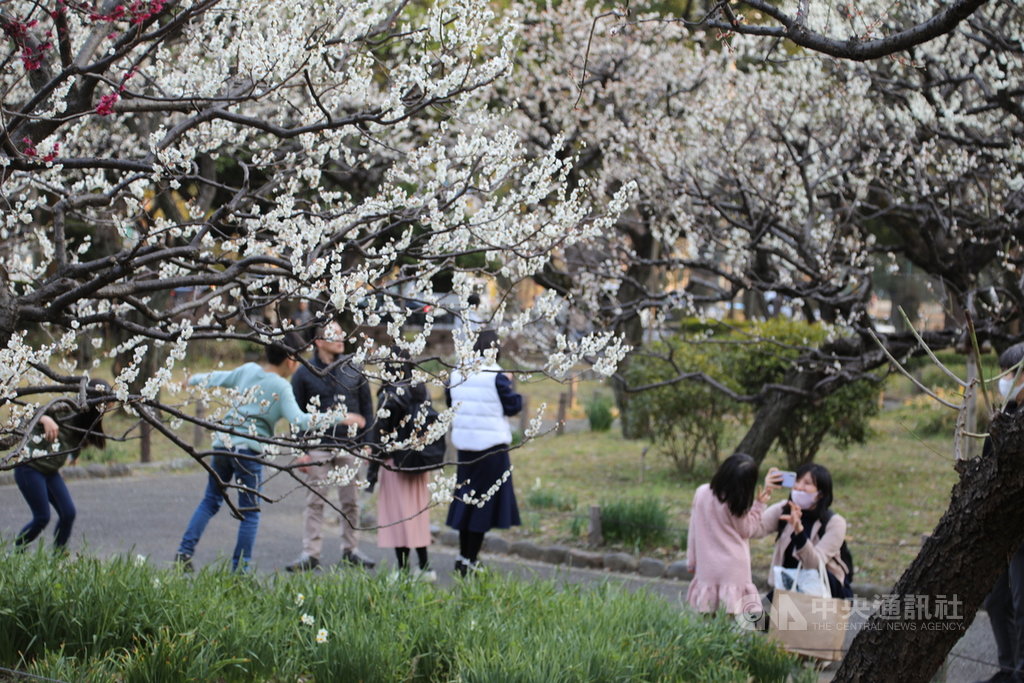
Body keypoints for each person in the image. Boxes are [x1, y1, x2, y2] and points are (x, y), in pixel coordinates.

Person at [175, 333, 365, 572]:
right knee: (250, 512)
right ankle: (240, 571)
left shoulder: (248, 370)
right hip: (248, 452)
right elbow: (302, 421)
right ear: (290, 360)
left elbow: (217, 378)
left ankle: (184, 552)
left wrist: (191, 380)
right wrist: (342, 417)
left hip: (222, 444)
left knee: (210, 500)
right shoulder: (281, 386)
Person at [285, 321, 376, 572]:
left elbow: (367, 408)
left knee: (351, 502)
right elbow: (295, 414)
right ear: (318, 342)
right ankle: (310, 553)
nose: (340, 339)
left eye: (341, 334)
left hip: (349, 445)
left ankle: (351, 549)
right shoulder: (304, 373)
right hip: (317, 445)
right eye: (333, 335)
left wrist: (367, 444)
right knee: (315, 501)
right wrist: (300, 451)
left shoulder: (353, 368)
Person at [445, 329, 523, 576]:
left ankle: (462, 556)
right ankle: (470, 560)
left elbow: (450, 404)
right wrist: (510, 383)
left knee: (465, 500)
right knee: (482, 505)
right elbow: (512, 406)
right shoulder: (496, 375)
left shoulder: (457, 372)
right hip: (491, 449)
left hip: (465, 448)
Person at [11, 379, 112, 552]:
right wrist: (44, 418)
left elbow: (75, 437)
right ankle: (16, 551)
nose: (107, 409)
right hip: (29, 468)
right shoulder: (66, 408)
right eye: (106, 405)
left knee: (68, 513)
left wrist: (73, 456)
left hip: (50, 471)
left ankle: (57, 558)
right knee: (42, 517)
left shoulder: (86, 417)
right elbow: (25, 415)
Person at [366, 352, 436, 581]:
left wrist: (372, 472)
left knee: (399, 516)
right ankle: (425, 567)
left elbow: (380, 433)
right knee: (418, 516)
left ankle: (404, 569)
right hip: (418, 463)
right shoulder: (420, 389)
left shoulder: (389, 394)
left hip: (395, 463)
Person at [979, 343, 1024, 683]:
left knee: (1022, 604)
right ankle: (1008, 667)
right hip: (1000, 530)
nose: (1005, 380)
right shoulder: (1004, 419)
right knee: (997, 601)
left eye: (1011, 373)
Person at [686, 453, 778, 615]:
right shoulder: (736, 504)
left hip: (706, 567)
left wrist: (692, 560)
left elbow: (693, 530)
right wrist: (759, 505)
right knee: (733, 621)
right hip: (733, 570)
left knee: (705, 618)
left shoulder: (701, 492)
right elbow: (748, 530)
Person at [754, 463, 851, 600]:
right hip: (787, 587)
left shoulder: (834, 523)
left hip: (823, 592)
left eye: (807, 483)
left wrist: (799, 531)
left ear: (820, 493)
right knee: (763, 618)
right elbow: (753, 529)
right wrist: (763, 498)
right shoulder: (784, 509)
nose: (799, 487)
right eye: (797, 481)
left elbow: (814, 565)